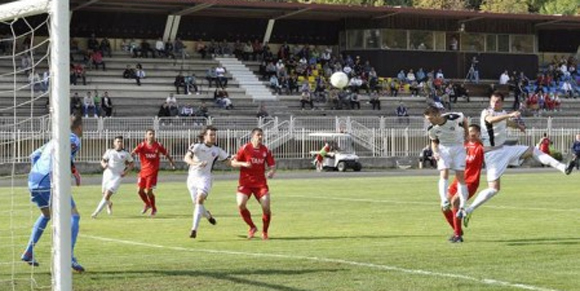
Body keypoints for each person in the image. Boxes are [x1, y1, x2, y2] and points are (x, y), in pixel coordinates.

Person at [459, 92, 570, 221]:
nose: (495, 104)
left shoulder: (502, 113)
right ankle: (469, 209)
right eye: (493, 101)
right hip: (492, 155)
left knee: (533, 150)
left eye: (498, 101)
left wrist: (518, 126)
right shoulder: (486, 113)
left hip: (504, 149)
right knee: (494, 189)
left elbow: (506, 123)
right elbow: (491, 120)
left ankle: (563, 167)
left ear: (502, 102)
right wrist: (510, 115)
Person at [21, 115, 85, 272]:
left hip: (33, 180)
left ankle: (29, 252)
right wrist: (74, 171)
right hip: (48, 181)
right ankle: (68, 256)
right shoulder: (74, 139)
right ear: (79, 127)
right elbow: (65, 155)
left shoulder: (53, 140)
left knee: (46, 215)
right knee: (74, 216)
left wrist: (38, 173)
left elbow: (34, 155)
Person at [184, 126, 236, 239]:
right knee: (198, 204)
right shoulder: (196, 145)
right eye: (211, 134)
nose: (213, 137)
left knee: (199, 200)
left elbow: (229, 162)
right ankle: (207, 215)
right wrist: (196, 164)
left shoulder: (217, 150)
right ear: (204, 136)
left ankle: (194, 230)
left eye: (214, 135)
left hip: (206, 178)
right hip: (192, 178)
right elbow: (186, 158)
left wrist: (238, 160)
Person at [442, 124, 484, 243]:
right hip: (458, 180)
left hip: (471, 182)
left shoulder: (480, 147)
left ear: (478, 133)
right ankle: (458, 230)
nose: (470, 134)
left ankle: (457, 236)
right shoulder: (462, 146)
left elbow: (489, 147)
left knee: (455, 201)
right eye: (469, 131)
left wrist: (479, 139)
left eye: (473, 132)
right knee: (444, 206)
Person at [231, 128, 276, 240]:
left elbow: (272, 166)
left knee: (266, 206)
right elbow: (233, 163)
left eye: (262, 135)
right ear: (252, 136)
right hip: (245, 183)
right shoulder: (245, 148)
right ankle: (252, 227)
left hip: (260, 184)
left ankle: (264, 232)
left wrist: (271, 172)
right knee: (241, 204)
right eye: (258, 135)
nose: (260, 137)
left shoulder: (266, 150)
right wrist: (244, 164)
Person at [424, 106, 470, 214]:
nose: (429, 121)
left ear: (437, 115)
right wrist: (435, 152)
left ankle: (463, 203)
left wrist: (466, 134)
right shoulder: (432, 129)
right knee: (444, 173)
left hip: (459, 147)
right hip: (444, 149)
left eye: (430, 119)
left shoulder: (453, 117)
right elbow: (434, 141)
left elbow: (464, 120)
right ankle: (444, 200)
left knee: (460, 176)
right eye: (427, 119)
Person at [131, 129, 176, 216]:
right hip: (143, 172)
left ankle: (154, 208)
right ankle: (147, 204)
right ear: (146, 136)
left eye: (153, 134)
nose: (152, 135)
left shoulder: (158, 145)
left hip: (152, 172)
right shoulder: (142, 145)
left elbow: (166, 154)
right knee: (139, 191)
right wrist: (128, 159)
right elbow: (133, 152)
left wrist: (172, 162)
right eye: (150, 134)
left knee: (148, 191)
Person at [91, 136, 134, 218]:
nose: (119, 143)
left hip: (117, 177)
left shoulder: (125, 154)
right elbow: (103, 160)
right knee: (104, 193)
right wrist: (104, 165)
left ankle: (95, 213)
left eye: (121, 141)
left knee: (107, 195)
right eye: (118, 141)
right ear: (114, 143)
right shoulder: (109, 151)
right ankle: (109, 204)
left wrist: (125, 172)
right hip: (107, 174)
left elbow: (131, 164)